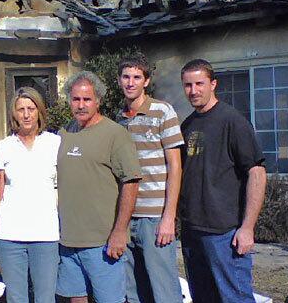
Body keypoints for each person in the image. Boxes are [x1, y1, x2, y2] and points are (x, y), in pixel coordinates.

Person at [180, 59, 267, 303]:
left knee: (234, 298)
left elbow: (257, 173)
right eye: (188, 85)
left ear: (213, 84)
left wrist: (247, 227)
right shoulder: (187, 125)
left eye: (199, 83)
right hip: (192, 231)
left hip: (224, 233)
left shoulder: (232, 121)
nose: (194, 90)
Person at [56, 71, 142, 303]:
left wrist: (120, 231)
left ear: (98, 101)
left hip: (102, 242)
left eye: (87, 99)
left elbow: (131, 182)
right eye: (76, 99)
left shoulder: (115, 134)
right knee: (76, 298)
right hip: (67, 241)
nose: (81, 105)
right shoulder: (63, 134)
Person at [116, 55, 184, 303]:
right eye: (126, 77)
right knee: (134, 289)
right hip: (127, 214)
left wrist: (169, 217)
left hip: (154, 217)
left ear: (146, 81)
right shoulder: (119, 118)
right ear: (119, 80)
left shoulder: (162, 111)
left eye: (136, 77)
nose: (130, 83)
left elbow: (175, 166)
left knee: (164, 290)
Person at [0, 87, 60, 303]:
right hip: (10, 237)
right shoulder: (3, 147)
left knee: (45, 298)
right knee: (16, 299)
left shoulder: (54, 143)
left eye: (31, 108)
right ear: (14, 114)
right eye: (21, 109)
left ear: (39, 111)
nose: (26, 114)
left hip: (45, 236)